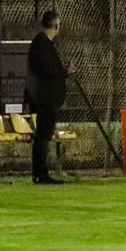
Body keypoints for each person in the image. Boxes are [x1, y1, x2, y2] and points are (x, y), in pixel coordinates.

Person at [27, 10, 72, 184]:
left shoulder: (43, 44)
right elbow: (47, 71)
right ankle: (40, 173)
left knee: (44, 135)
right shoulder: (42, 44)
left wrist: (63, 73)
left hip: (46, 97)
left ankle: (41, 172)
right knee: (43, 136)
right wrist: (64, 72)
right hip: (45, 98)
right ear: (56, 26)